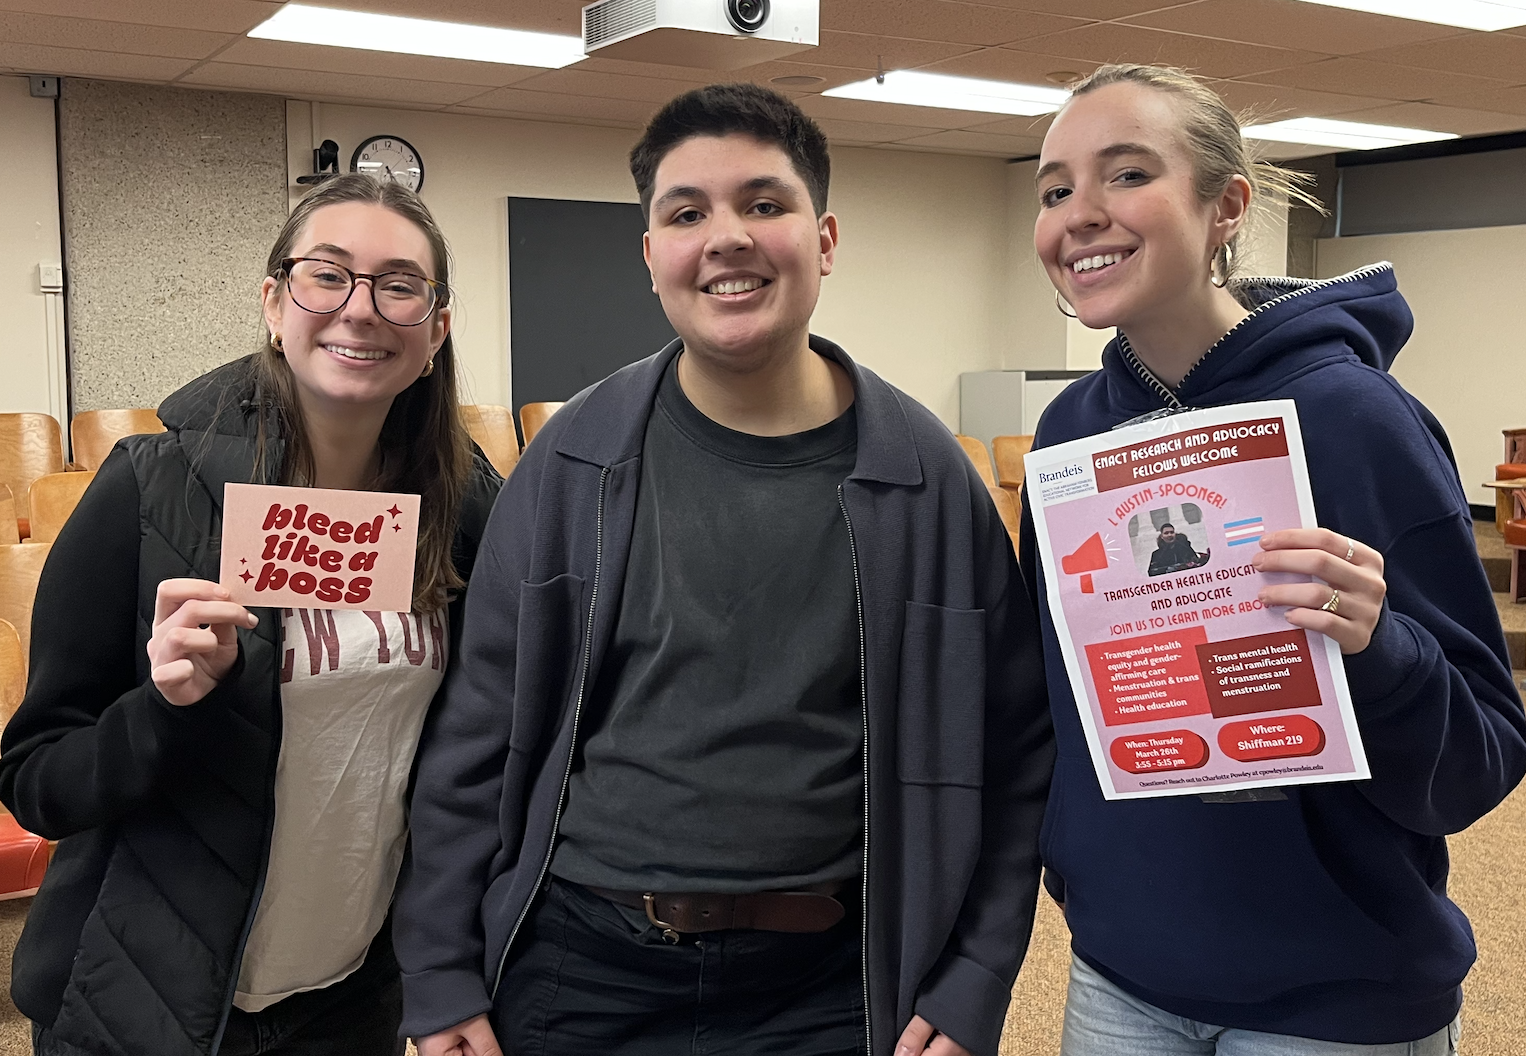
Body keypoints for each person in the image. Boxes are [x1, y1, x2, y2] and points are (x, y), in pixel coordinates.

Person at [395, 83, 1054, 1056]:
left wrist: (976, 978)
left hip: (833, 989)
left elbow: (1014, 751)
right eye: (686, 214)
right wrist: (441, 971)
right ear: (650, 254)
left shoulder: (927, 480)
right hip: (581, 973)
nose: (726, 238)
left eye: (763, 203)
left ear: (823, 240)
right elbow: (477, 734)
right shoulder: (572, 463)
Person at [1021, 63, 1526, 1055]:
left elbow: (1481, 758)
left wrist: (1379, 647)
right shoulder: (1069, 436)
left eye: (1127, 174)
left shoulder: (1355, 418)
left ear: (1226, 207)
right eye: (1053, 190)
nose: (1079, 214)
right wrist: (1075, 864)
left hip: (1335, 994)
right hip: (1121, 970)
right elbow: (1052, 697)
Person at [0, 173, 501, 1056]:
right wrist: (162, 709)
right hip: (142, 999)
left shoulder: (461, 511)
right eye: (327, 275)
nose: (360, 309)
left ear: (435, 330)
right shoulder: (147, 491)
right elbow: (37, 781)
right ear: (274, 303)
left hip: (350, 999)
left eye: (399, 286)